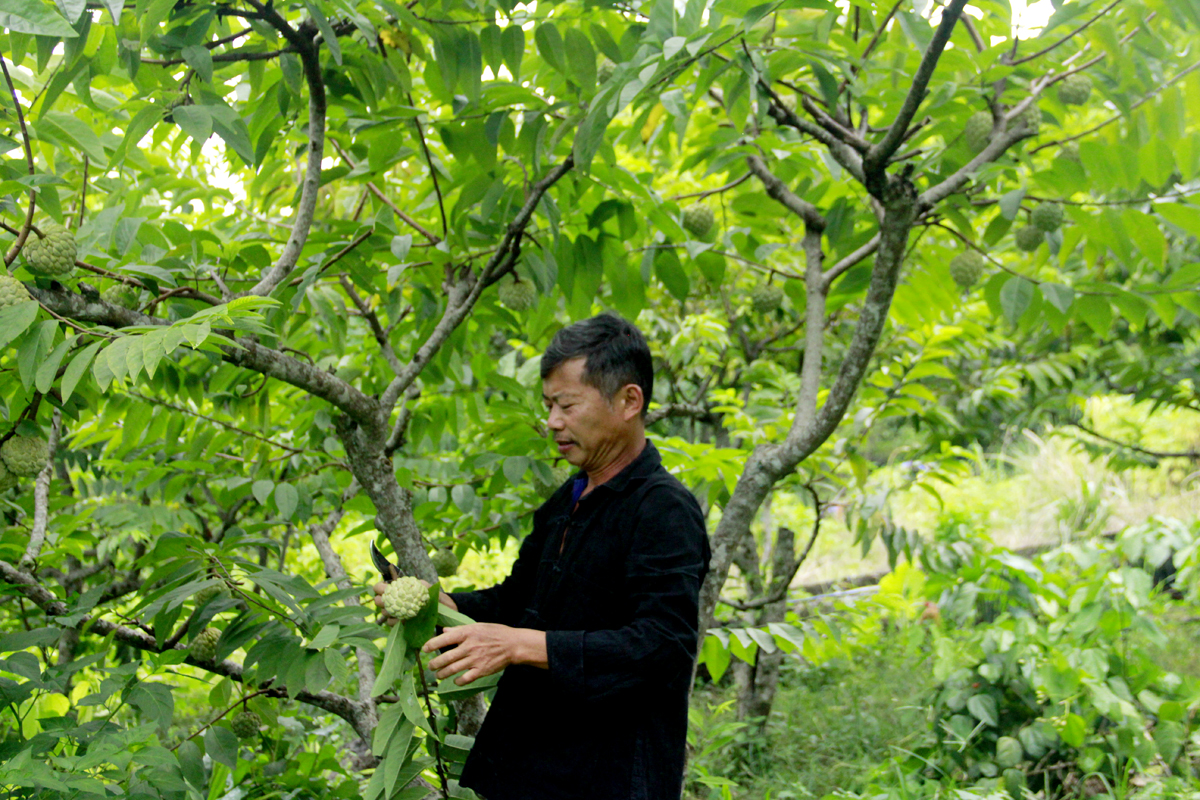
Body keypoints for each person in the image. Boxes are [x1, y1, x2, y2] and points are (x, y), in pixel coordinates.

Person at [374, 312, 711, 800]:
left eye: (567, 405)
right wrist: (435, 603)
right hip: (525, 765)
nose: (552, 422)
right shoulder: (567, 500)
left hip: (606, 776)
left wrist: (521, 646)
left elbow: (663, 645)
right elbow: (517, 603)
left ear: (628, 401)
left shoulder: (664, 510)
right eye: (548, 405)